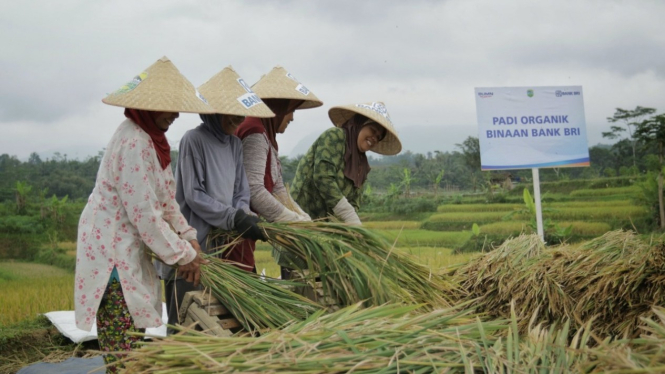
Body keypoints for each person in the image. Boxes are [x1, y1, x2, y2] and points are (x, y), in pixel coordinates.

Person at [74, 56, 213, 373]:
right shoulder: (134, 142)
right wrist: (182, 255)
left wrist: (189, 237)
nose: (177, 115)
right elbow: (146, 215)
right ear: (150, 107)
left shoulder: (155, 141)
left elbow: (166, 200)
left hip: (127, 247)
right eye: (171, 107)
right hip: (111, 253)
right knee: (124, 349)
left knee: (132, 340)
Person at [156, 66, 275, 328]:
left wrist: (242, 214)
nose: (237, 121)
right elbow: (194, 195)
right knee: (184, 320)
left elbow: (241, 190)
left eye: (240, 115)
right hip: (192, 247)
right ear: (214, 112)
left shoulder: (234, 144)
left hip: (221, 251)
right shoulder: (193, 140)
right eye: (231, 116)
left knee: (211, 321)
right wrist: (233, 218)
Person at [235, 66, 322, 278]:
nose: (291, 117)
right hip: (236, 227)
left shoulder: (267, 134)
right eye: (290, 109)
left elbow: (278, 187)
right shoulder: (255, 131)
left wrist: (302, 218)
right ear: (278, 107)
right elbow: (254, 189)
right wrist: (289, 219)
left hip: (245, 228)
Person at [291, 102, 402, 225]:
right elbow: (323, 178)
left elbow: (355, 200)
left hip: (325, 225)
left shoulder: (362, 165)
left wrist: (349, 225)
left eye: (379, 137)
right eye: (373, 130)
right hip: (301, 216)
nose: (375, 137)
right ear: (360, 124)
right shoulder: (335, 136)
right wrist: (348, 214)